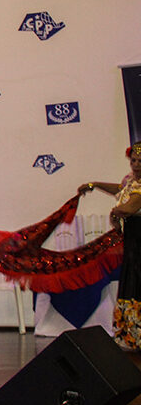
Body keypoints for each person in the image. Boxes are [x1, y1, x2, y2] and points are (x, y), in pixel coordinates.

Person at [77, 141, 141, 350]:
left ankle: (136, 335)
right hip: (133, 241)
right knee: (131, 281)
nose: (136, 165)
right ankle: (131, 335)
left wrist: (116, 212)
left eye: (140, 161)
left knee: (137, 282)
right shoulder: (131, 181)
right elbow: (120, 189)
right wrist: (95, 184)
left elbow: (130, 207)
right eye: (133, 160)